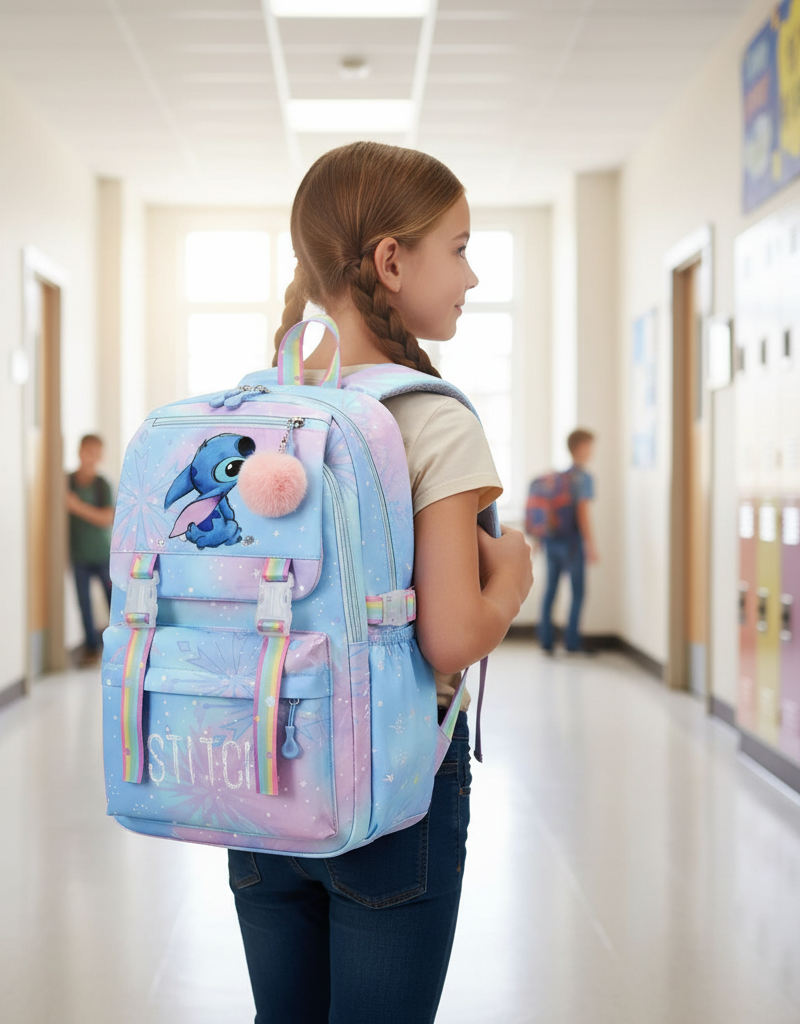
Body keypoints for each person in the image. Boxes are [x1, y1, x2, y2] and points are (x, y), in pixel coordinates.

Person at [226, 142, 533, 1024]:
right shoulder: (431, 418)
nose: (472, 277)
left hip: (262, 775)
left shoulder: (266, 408)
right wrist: (511, 578)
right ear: (392, 261)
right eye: (462, 247)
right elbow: (450, 635)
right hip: (390, 792)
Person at [537, 428, 598, 655]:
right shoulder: (583, 478)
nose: (592, 451)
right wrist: (590, 545)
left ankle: (546, 641)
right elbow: (582, 513)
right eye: (590, 446)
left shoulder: (557, 479)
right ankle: (572, 643)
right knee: (578, 592)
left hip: (552, 542)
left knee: (550, 591)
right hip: (573, 544)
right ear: (580, 448)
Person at [66, 433, 115, 666]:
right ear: (79, 452)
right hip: (78, 556)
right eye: (88, 451)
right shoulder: (68, 482)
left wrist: (76, 507)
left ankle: (118, 648)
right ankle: (90, 650)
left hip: (102, 555)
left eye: (97, 453)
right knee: (83, 605)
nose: (92, 457)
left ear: (101, 456)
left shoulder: (101, 485)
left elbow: (107, 518)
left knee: (113, 603)